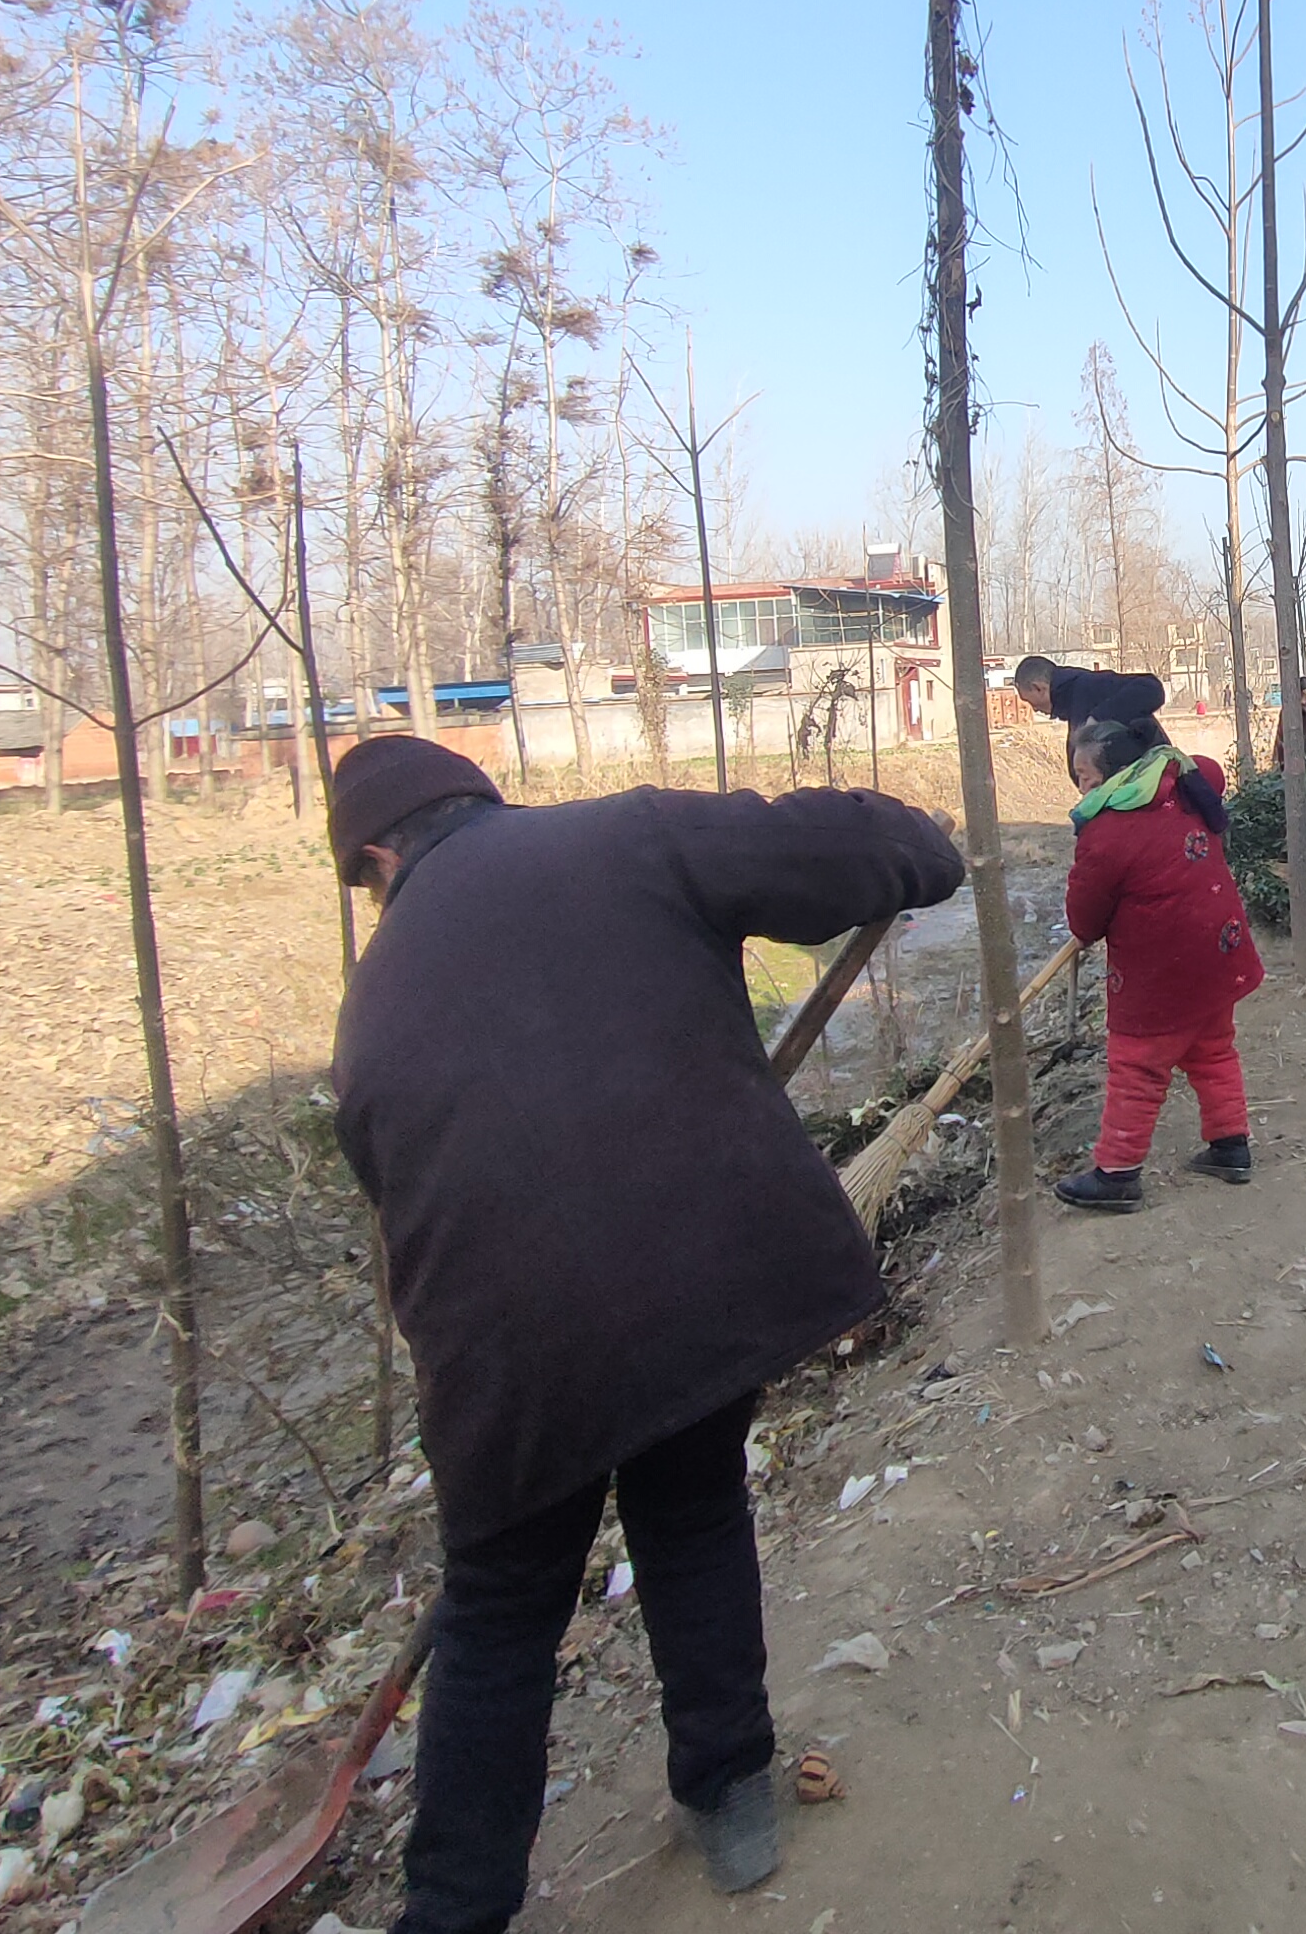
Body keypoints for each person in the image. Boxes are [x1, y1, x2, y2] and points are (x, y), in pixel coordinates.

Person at [327, 733, 964, 1922]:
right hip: (693, 1285)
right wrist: (924, 848)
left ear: (377, 857)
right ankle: (729, 1792)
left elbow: (399, 1201)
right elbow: (844, 846)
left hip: (504, 1359)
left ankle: (455, 1908)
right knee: (691, 1508)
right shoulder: (624, 834)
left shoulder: (368, 1009)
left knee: (499, 1613)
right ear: (476, 799)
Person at [1051, 719, 1264, 1212]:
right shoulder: (1185, 785)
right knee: (1212, 1050)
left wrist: (1083, 931)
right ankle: (1230, 1147)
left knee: (1136, 1066)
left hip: (1161, 970)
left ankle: (1117, 1173)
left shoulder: (1105, 831)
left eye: (1085, 777)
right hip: (1218, 951)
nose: (1082, 788)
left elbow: (1085, 918)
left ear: (1114, 774)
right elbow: (1210, 769)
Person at [1012, 655, 1168, 740]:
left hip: (1152, 783)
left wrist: (1097, 719)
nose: (1034, 709)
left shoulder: (1089, 685)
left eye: (1030, 702)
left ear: (1039, 688)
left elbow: (1151, 688)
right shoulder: (1073, 703)